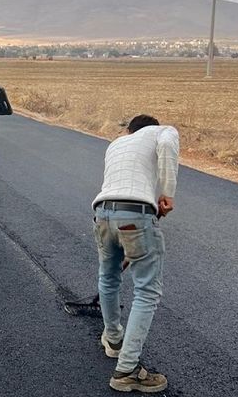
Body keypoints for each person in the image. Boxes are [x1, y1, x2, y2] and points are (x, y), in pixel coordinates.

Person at [92, 114, 179, 393]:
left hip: (103, 213)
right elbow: (168, 142)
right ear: (150, 128)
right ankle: (127, 370)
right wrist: (166, 192)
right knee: (147, 291)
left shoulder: (117, 143)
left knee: (108, 277)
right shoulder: (161, 131)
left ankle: (113, 339)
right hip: (136, 216)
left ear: (129, 129)